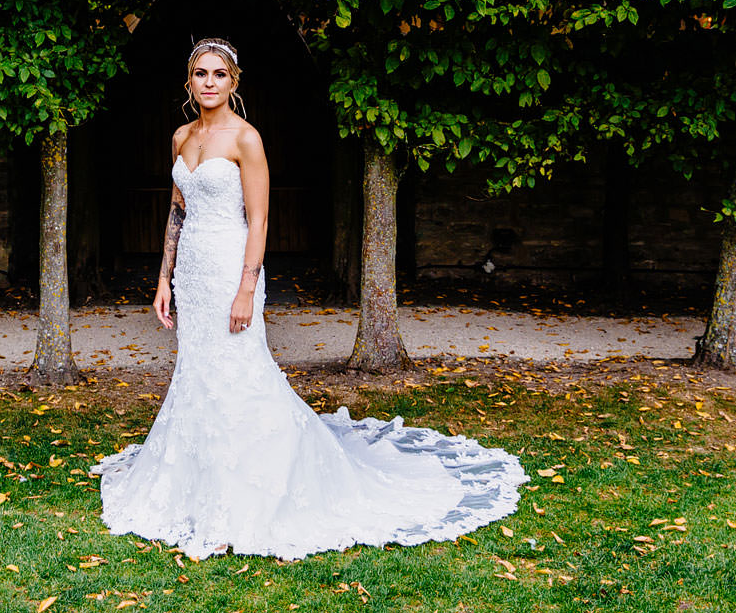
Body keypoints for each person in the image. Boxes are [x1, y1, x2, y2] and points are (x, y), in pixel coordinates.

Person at [91, 37, 527, 561]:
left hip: (232, 267)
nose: (209, 83)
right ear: (189, 82)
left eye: (219, 75)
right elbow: (177, 212)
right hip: (193, 276)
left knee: (241, 372)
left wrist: (247, 287)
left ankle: (243, 501)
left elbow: (260, 219)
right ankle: (198, 486)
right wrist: (164, 279)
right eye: (200, 74)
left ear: (234, 82)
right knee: (198, 373)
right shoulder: (180, 136)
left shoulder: (246, 139)